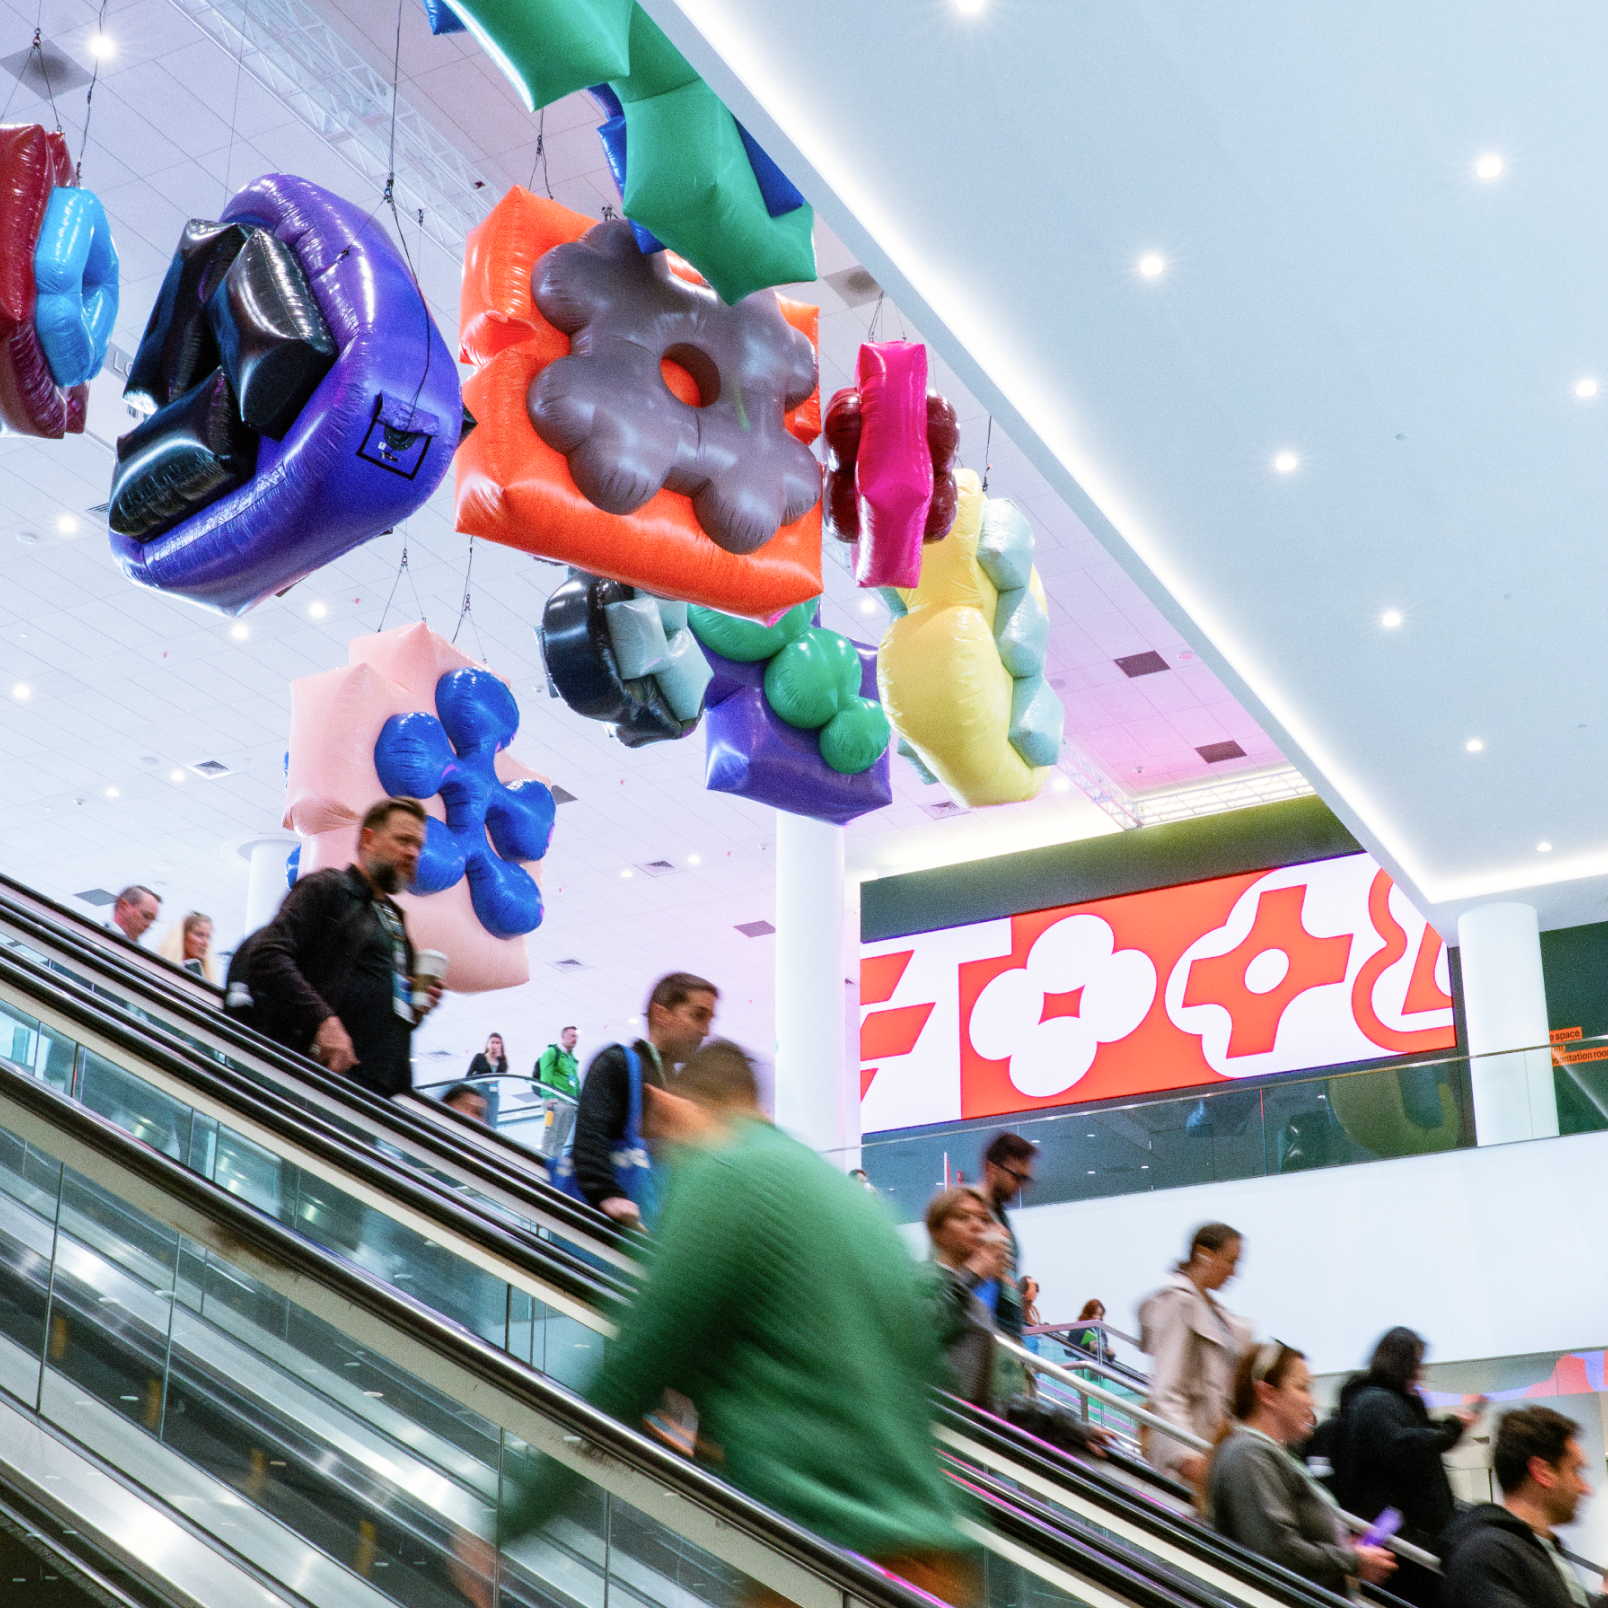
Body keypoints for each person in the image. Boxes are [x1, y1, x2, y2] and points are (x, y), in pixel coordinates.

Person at [457, 1039, 974, 1608]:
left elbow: (630, 1372)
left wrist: (509, 1523)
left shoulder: (724, 1175)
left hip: (827, 1558)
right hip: (932, 1559)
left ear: (668, 1106)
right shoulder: (845, 1197)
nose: (666, 1166)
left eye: (659, 1147)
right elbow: (920, 1369)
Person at [235, 798, 443, 1098]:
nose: (412, 853)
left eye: (418, 846)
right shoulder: (328, 889)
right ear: (369, 840)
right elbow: (268, 954)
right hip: (325, 1080)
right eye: (403, 840)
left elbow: (390, 1012)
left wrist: (417, 1005)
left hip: (380, 1091)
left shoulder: (395, 919)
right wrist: (323, 1020)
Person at [919, 1186, 1107, 1461]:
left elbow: (994, 1398)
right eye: (962, 1217)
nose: (975, 1226)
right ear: (936, 1230)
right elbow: (922, 1331)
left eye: (983, 1220)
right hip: (936, 1446)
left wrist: (1063, 1423)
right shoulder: (921, 1280)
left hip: (968, 1445)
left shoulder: (976, 1303)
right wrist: (971, 1274)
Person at [1209, 1342, 1397, 1596]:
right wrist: (1351, 1561)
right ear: (1267, 1394)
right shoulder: (1248, 1455)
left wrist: (1342, 1548)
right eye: (1302, 1387)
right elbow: (1277, 1549)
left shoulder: (1268, 1454)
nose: (1312, 1401)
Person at [1330, 1326, 1482, 1607]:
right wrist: (1452, 1427)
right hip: (1403, 1547)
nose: (1420, 1373)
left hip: (1403, 1541)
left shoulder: (1377, 1403)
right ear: (1401, 1363)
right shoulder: (1375, 1404)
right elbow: (1406, 1446)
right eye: (1416, 1364)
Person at [569, 974, 716, 1226]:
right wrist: (607, 1194)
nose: (705, 1030)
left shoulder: (675, 1083)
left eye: (709, 1019)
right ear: (661, 1014)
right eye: (698, 1015)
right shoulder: (618, 1063)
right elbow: (589, 1136)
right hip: (611, 1227)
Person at [1443, 1406, 1606, 1608]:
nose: (1586, 1488)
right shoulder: (1487, 1556)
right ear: (1543, 1472)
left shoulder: (1539, 1549)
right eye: (1575, 1471)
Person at [1138, 1222, 1253, 1488]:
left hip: (1211, 1446)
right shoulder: (1179, 1302)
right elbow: (1166, 1389)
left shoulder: (1208, 1308)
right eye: (1230, 1261)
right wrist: (1187, 1454)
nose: (1234, 1272)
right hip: (1193, 1456)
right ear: (1204, 1254)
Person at [976, 1131, 1037, 1340]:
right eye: (1017, 1177)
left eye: (1026, 1179)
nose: (1022, 1187)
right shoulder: (967, 1213)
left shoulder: (1001, 1217)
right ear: (991, 1169)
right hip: (985, 1339)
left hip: (1006, 1339)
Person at [158, 911, 217, 981]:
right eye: (199, 934)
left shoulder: (207, 981)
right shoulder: (161, 972)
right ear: (183, 936)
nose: (205, 942)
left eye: (208, 937)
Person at [535, 1026, 579, 1098]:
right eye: (572, 1036)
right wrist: (548, 1098)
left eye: (576, 1037)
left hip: (571, 1100)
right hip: (557, 1100)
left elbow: (575, 1081)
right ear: (563, 1036)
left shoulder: (571, 1058)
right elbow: (546, 1077)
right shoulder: (552, 1053)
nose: (575, 1039)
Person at [1076, 1299, 1108, 1363]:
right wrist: (1088, 1346)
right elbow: (1069, 1351)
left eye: (1099, 1315)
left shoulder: (1101, 1332)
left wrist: (1110, 1354)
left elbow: (1104, 1350)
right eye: (1095, 1314)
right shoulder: (1078, 1329)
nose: (1097, 1318)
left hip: (1099, 1366)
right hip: (1084, 1366)